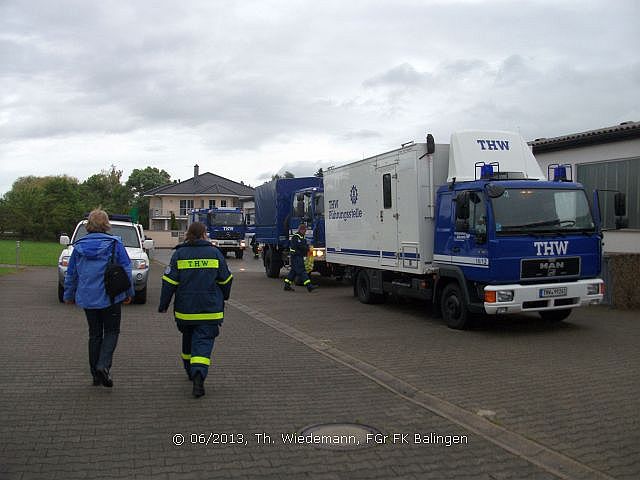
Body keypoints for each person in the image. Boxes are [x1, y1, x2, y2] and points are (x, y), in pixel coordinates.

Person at [158, 222, 233, 398]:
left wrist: (163, 305)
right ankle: (199, 374)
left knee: (188, 338)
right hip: (209, 310)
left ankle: (190, 369)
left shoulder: (179, 254)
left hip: (186, 310)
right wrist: (225, 296)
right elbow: (226, 279)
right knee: (203, 342)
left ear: (188, 234)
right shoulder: (215, 253)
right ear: (204, 234)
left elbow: (169, 283)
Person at [64, 209, 134, 388]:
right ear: (106, 224)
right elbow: (126, 268)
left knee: (94, 334)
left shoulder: (78, 247)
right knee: (111, 332)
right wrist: (128, 293)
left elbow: (71, 274)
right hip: (111, 297)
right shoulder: (114, 244)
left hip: (88, 297)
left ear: (89, 224)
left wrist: (69, 295)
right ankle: (103, 365)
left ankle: (95, 374)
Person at [283, 223, 317, 292]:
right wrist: (307, 248)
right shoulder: (296, 237)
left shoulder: (301, 237)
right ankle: (309, 286)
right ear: (301, 230)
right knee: (302, 271)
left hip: (298, 256)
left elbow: (302, 246)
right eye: (305, 230)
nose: (305, 232)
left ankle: (287, 285)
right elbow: (300, 246)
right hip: (296, 257)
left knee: (293, 272)